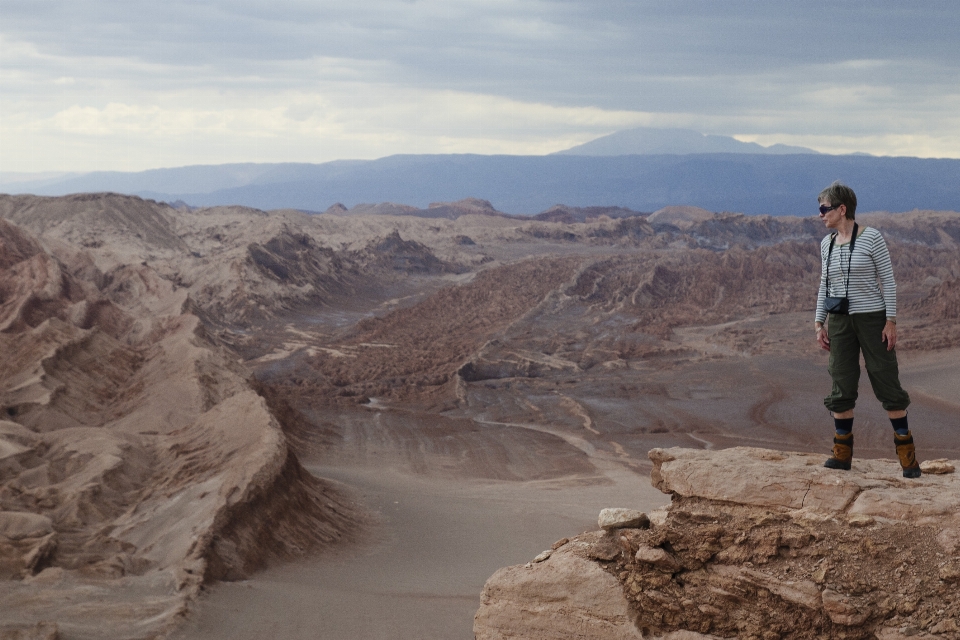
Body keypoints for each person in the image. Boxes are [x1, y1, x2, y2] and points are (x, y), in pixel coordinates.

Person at [813, 181, 920, 478]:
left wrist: (891, 320)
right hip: (839, 322)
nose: (821, 215)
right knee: (841, 382)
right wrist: (819, 322)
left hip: (873, 319)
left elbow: (888, 280)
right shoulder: (827, 244)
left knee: (886, 379)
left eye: (825, 209)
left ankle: (907, 454)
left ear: (842, 209)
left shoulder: (871, 238)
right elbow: (825, 284)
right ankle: (842, 453)